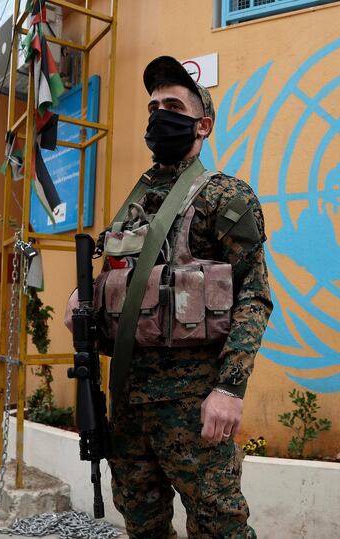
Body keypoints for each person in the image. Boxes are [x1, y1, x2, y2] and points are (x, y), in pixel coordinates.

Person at [104, 56, 272, 539]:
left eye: (173, 105)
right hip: (129, 404)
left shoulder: (226, 197)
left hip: (193, 404)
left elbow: (254, 298)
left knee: (220, 526)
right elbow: (123, 289)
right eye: (153, 106)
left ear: (203, 124)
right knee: (142, 524)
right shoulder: (133, 205)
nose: (159, 115)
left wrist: (229, 389)